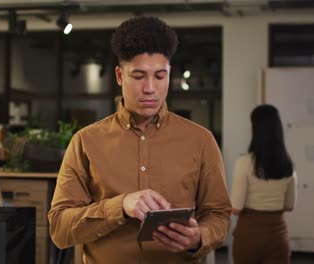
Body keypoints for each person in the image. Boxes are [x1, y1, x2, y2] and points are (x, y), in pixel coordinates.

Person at [48, 16, 231, 263]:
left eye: (159, 76)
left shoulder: (201, 140)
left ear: (169, 74)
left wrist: (200, 237)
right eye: (138, 76)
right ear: (119, 76)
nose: (150, 88)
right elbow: (59, 228)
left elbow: (218, 214)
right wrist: (120, 206)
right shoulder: (86, 141)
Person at [230, 104, 297, 264]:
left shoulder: (244, 163)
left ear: (255, 130)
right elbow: (289, 205)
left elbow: (236, 208)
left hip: (249, 236)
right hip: (278, 236)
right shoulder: (288, 165)